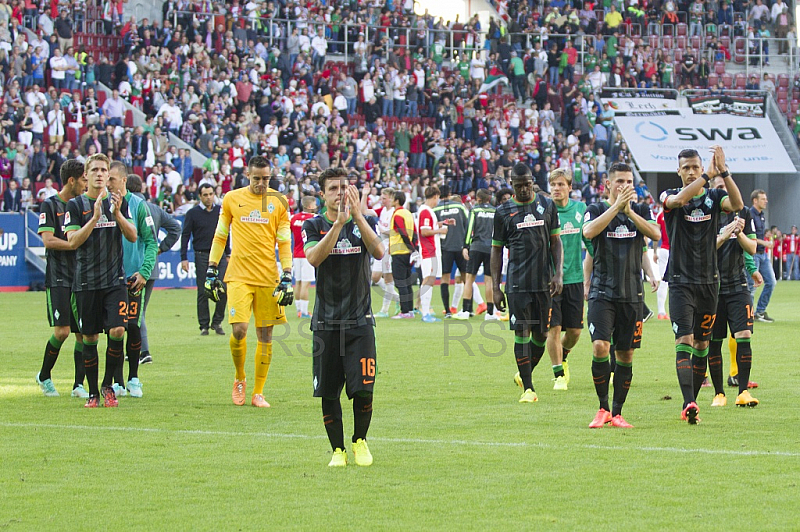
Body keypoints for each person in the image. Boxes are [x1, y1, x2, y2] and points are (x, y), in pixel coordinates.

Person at [302, 167, 385, 467]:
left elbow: (378, 251)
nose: (340, 193)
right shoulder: (312, 225)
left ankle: (359, 441)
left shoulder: (367, 221)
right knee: (328, 390)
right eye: (333, 188)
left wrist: (358, 217)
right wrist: (336, 226)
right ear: (322, 194)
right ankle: (337, 450)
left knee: (364, 386)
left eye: (344, 187)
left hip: (360, 321)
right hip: (325, 322)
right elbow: (313, 258)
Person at [660, 146, 743, 424]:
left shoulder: (715, 196)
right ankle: (688, 402)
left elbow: (738, 204)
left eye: (695, 167)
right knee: (683, 340)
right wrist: (707, 175)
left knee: (702, 344)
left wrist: (725, 172)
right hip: (681, 282)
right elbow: (679, 200)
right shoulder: (669, 195)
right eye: (687, 168)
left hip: (710, 282)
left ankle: (691, 402)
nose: (691, 172)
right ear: (678, 170)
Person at [204, 156, 292, 408]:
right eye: (257, 179)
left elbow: (284, 241)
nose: (262, 184)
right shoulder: (232, 198)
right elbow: (220, 236)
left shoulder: (279, 202)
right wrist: (212, 268)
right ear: (247, 175)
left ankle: (258, 392)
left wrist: (287, 273)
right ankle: (240, 377)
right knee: (239, 329)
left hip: (268, 277)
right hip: (238, 275)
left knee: (265, 334)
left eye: (266, 179)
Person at [582, 163, 661, 428]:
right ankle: (602, 408)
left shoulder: (641, 210)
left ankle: (617, 412)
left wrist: (650, 272)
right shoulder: (595, 210)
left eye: (628, 182)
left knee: (626, 355)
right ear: (608, 184)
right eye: (619, 182)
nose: (624, 186)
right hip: (602, 292)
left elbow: (654, 234)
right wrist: (616, 208)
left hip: (631, 294)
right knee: (600, 346)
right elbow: (588, 233)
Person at [64, 153, 138, 407]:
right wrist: (94, 218)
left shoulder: (118, 202)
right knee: (90, 338)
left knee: (118, 330)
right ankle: (93, 392)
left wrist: (116, 214)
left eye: (103, 170)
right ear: (87, 175)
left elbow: (132, 236)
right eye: (94, 169)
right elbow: (72, 241)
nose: (98, 174)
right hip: (86, 282)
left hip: (115, 281)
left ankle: (108, 386)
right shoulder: (75, 206)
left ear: (108, 175)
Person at [491, 162, 563, 404]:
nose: (523, 189)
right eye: (519, 185)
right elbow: (496, 251)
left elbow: (556, 242)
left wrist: (558, 273)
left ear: (533, 182)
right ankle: (529, 389)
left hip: (544, 282)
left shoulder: (547, 205)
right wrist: (495, 288)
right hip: (517, 284)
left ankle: (523, 374)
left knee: (542, 334)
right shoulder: (503, 212)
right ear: (512, 185)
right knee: (521, 332)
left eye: (527, 184)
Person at [706, 176, 761, 409]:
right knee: (714, 341)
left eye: (725, 187)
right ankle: (719, 393)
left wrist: (738, 233)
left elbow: (752, 247)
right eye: (718, 187)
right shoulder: (707, 213)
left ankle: (743, 391)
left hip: (738, 285)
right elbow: (703, 249)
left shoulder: (744, 213)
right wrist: (725, 233)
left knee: (744, 336)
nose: (722, 191)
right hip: (713, 287)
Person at [35, 160, 88, 398]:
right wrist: (73, 243)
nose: (86, 184)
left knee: (84, 332)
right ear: (71, 180)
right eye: (84, 180)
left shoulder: (82, 205)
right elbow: (48, 240)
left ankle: (78, 384)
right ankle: (44, 376)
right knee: (62, 331)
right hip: (58, 277)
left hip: (81, 275)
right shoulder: (50, 204)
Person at [107, 163, 158, 398]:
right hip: (108, 278)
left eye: (112, 179)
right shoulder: (100, 205)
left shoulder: (139, 206)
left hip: (133, 277)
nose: (108, 184)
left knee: (133, 327)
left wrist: (145, 272)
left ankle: (134, 378)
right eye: (106, 179)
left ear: (124, 180)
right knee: (113, 329)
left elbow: (150, 242)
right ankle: (116, 380)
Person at [547, 168, 589, 391]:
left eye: (561, 184)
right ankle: (558, 375)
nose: (556, 188)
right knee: (554, 329)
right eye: (553, 185)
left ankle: (562, 357)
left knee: (574, 332)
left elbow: (590, 242)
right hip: (551, 281)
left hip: (575, 279)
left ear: (570, 187)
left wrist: (590, 278)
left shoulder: (581, 210)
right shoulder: (544, 212)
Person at [133, 175, 181, 365]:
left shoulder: (128, 208)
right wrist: (162, 248)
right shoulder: (154, 209)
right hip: (152, 266)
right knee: (139, 310)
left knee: (136, 312)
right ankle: (135, 349)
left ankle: (143, 351)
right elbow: (175, 228)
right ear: (142, 187)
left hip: (133, 266)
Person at [181, 183, 228, 336]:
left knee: (224, 288)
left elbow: (225, 233)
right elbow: (185, 235)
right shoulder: (193, 213)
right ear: (200, 196)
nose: (208, 197)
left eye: (210, 194)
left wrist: (228, 254)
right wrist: (183, 258)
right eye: (205, 195)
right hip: (202, 255)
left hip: (220, 254)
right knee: (203, 291)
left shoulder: (220, 212)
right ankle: (204, 325)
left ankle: (217, 321)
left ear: (214, 194)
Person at [459, 188, 497, 321]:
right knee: (489, 281)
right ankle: (490, 313)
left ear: (478, 199)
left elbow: (470, 229)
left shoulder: (474, 210)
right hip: (490, 248)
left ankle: (465, 310)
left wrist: (465, 246)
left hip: (476, 247)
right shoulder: (495, 211)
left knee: (469, 279)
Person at [433, 185, 469, 318]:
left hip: (445, 248)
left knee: (445, 278)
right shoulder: (460, 207)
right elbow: (468, 223)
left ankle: (447, 310)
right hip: (460, 246)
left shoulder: (435, 209)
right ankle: (467, 309)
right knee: (466, 278)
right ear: (449, 193)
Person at [417, 185, 448, 323]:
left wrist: (441, 224)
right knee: (428, 280)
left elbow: (428, 227)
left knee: (429, 280)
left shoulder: (426, 211)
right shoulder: (425, 211)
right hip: (428, 251)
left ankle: (425, 310)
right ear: (435, 197)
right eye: (438, 198)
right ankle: (425, 312)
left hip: (431, 251)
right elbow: (424, 231)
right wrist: (440, 231)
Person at [747, 189, 776, 322]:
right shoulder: (750, 215)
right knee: (751, 285)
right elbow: (749, 236)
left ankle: (760, 311)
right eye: (763, 199)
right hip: (753, 254)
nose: (766, 201)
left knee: (771, 282)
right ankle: (748, 314)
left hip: (762, 254)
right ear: (755, 200)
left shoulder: (761, 215)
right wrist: (764, 241)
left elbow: (758, 233)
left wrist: (766, 239)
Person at [389, 190, 418, 319]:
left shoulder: (397, 214)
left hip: (399, 251)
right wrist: (414, 249)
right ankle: (410, 310)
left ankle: (404, 311)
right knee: (407, 282)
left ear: (396, 201)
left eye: (392, 198)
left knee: (400, 282)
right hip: (407, 253)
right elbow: (414, 233)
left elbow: (402, 232)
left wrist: (410, 248)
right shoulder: (408, 213)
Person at [371, 187, 399, 318]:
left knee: (388, 279)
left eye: (384, 198)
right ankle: (398, 299)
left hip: (389, 247)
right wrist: (365, 194)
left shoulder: (395, 212)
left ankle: (384, 309)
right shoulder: (382, 211)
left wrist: (383, 231)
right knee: (375, 277)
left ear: (391, 199)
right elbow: (364, 211)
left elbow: (397, 231)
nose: (381, 200)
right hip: (380, 246)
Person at [290, 195, 318, 319]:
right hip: (308, 253)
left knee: (299, 283)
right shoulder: (314, 219)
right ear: (309, 206)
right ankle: (305, 312)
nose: (316, 206)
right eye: (314, 204)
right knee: (306, 284)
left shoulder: (294, 218)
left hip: (296, 254)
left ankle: (299, 310)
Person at [654, 207, 670, 320]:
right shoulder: (680, 210)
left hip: (664, 249)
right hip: (678, 250)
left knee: (664, 281)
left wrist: (655, 251)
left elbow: (656, 234)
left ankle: (661, 312)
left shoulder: (660, 215)